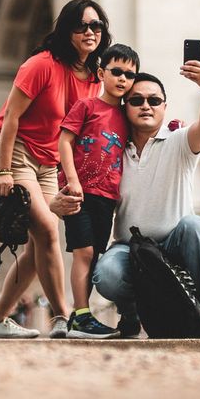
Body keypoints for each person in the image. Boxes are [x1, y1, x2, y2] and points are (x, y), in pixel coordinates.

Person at [0, 0, 111, 339]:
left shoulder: (94, 77)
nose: (90, 32)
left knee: (37, 245)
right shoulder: (40, 65)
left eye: (96, 26)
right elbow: (11, 118)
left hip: (48, 162)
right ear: (67, 30)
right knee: (49, 232)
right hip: (13, 151)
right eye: (82, 26)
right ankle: (66, 318)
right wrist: (4, 171)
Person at [92, 64, 200, 339]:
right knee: (107, 274)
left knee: (196, 226)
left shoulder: (179, 141)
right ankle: (130, 311)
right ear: (125, 108)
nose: (146, 105)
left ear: (164, 107)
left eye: (154, 100)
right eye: (136, 100)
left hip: (177, 245)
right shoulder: (112, 151)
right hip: (130, 249)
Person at [57, 43, 140, 338]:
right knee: (84, 252)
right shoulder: (86, 106)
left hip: (107, 197)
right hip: (78, 193)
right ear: (101, 73)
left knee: (94, 256)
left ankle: (81, 317)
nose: (123, 79)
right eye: (116, 71)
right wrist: (72, 180)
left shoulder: (127, 117)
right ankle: (79, 315)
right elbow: (64, 142)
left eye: (130, 75)